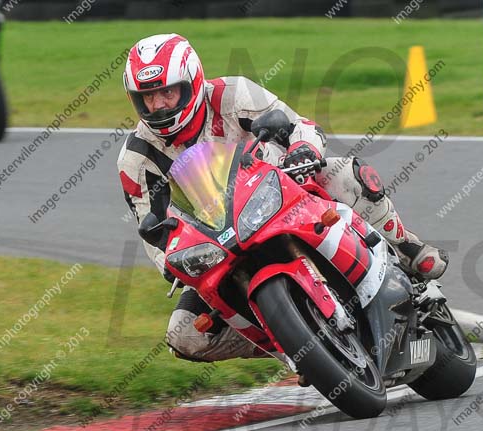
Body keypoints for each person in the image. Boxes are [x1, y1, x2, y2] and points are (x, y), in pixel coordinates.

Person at [117, 33, 449, 363]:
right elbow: (152, 229)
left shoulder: (232, 94)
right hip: (216, 244)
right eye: (147, 97)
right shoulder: (136, 159)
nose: (158, 105)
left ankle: (407, 250)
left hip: (281, 192)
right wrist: (172, 263)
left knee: (344, 176)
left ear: (192, 83)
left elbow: (299, 125)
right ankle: (290, 339)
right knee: (184, 334)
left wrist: (301, 149)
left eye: (167, 92)